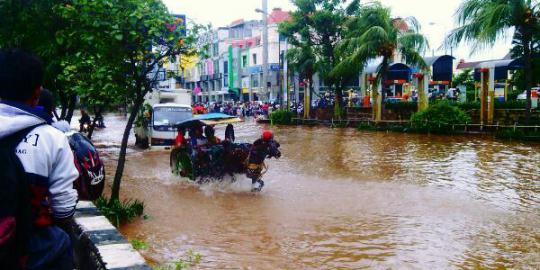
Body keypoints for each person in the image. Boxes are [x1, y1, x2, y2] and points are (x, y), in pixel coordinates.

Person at [0, 49, 78, 269]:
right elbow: (63, 208)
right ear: (37, 92)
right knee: (61, 244)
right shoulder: (52, 139)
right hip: (30, 249)